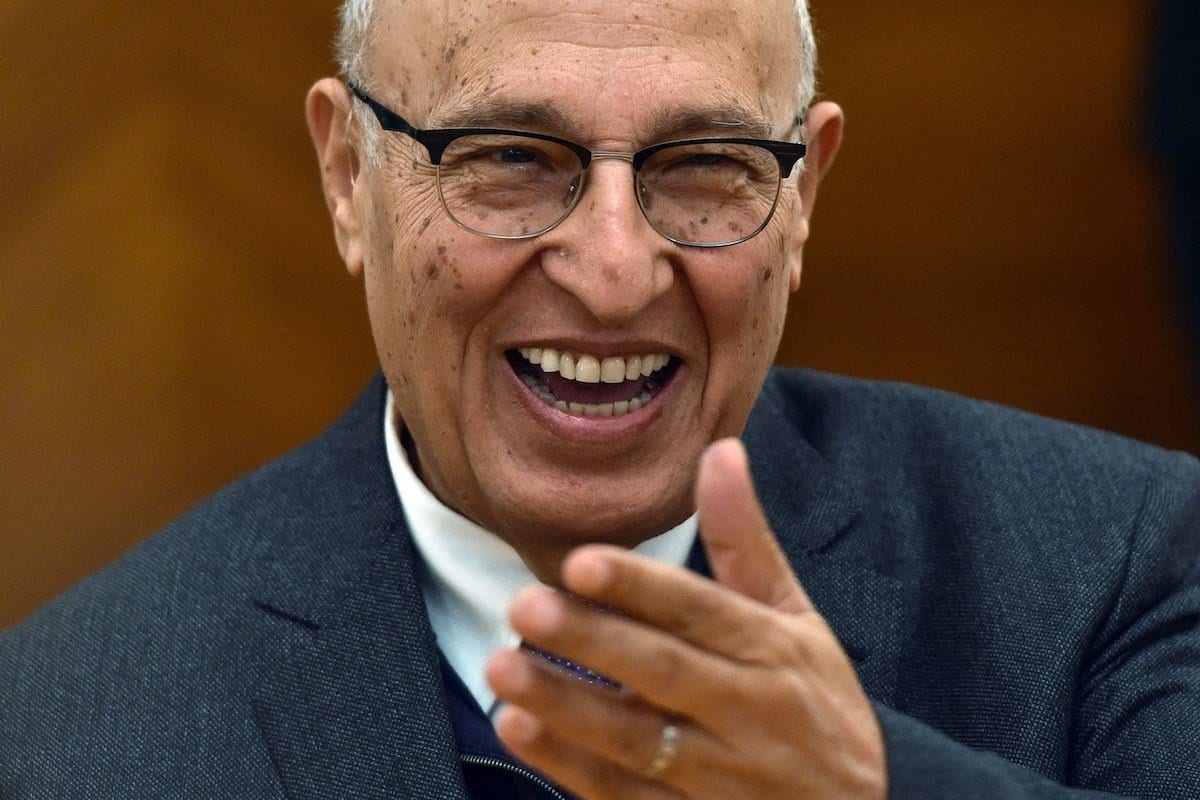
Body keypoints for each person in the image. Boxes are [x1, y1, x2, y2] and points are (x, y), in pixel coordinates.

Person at [1, 0, 1198, 797]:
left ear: (805, 193)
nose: (617, 270)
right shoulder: (70, 727)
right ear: (346, 176)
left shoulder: (1115, 567)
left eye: (703, 165)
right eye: (512, 157)